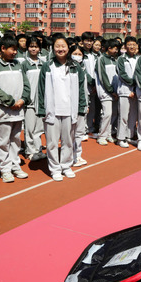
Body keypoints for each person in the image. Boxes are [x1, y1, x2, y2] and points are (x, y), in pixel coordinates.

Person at [36, 35, 87, 182]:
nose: (60, 49)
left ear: (68, 48)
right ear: (53, 48)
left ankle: (66, 165)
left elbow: (81, 89)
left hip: (69, 109)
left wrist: (81, 107)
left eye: (63, 46)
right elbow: (41, 88)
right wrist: (41, 109)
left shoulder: (75, 67)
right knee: (52, 142)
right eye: (57, 46)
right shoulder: (47, 66)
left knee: (68, 140)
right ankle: (55, 168)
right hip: (52, 109)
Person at [0, 35, 31, 183]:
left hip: (18, 110)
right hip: (2, 111)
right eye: (12, 49)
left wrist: (23, 99)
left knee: (16, 140)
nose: (15, 53)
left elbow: (26, 84)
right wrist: (10, 102)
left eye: (16, 50)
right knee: (3, 141)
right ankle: (5, 169)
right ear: (3, 48)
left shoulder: (18, 64)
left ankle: (15, 165)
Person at [21, 36, 46, 162]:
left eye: (36, 47)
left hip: (41, 101)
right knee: (29, 128)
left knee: (39, 128)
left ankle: (38, 149)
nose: (33, 49)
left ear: (40, 49)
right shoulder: (24, 65)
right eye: (31, 46)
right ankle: (29, 151)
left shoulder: (44, 64)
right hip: (29, 102)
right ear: (27, 48)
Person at [115, 36, 139, 148]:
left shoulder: (139, 59)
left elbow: (140, 75)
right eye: (129, 45)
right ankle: (120, 138)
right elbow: (123, 75)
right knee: (123, 116)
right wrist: (133, 85)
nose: (132, 47)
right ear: (125, 46)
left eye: (134, 45)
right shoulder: (121, 59)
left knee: (133, 116)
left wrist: (135, 88)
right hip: (125, 90)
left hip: (135, 91)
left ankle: (129, 136)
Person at [95, 38, 119, 145]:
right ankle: (102, 135)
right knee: (107, 113)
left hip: (114, 92)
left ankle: (108, 134)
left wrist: (116, 90)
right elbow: (102, 76)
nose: (116, 51)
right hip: (105, 91)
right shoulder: (101, 59)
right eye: (115, 49)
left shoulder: (115, 60)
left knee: (113, 114)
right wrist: (110, 89)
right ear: (109, 48)